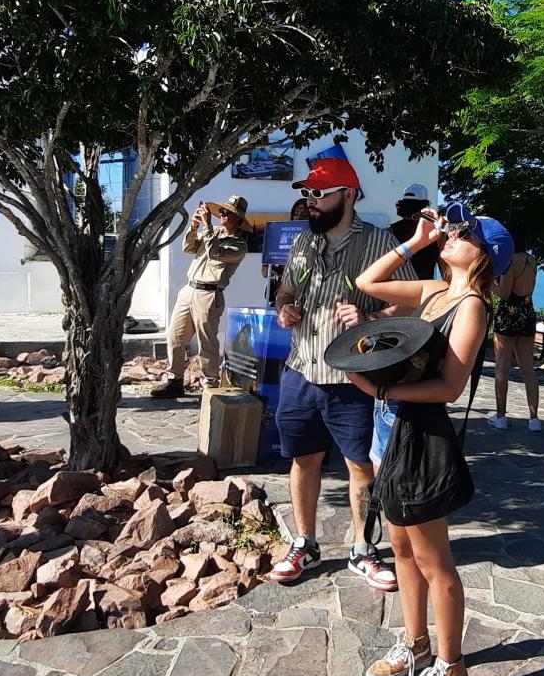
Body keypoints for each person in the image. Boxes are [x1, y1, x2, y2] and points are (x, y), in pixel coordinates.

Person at [345, 204, 507, 676]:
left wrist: (377, 386)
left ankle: (451, 668)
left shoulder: (473, 306)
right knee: (400, 549)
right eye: (453, 231)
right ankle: (415, 644)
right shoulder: (434, 292)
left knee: (435, 560)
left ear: (484, 255)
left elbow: (450, 388)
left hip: (419, 432)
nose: (452, 236)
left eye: (464, 234)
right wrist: (416, 241)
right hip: (387, 427)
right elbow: (366, 280)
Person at [266, 153, 409, 591]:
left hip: (354, 377)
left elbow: (411, 302)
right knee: (303, 459)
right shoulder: (304, 242)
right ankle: (304, 543)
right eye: (306, 194)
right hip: (300, 370)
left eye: (317, 194)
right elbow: (287, 286)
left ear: (347, 195)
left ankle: (363, 550)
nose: (309, 201)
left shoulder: (380, 242)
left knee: (361, 467)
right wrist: (283, 307)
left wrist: (369, 319)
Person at [151, 196, 249, 398]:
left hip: (209, 293)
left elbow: (214, 253)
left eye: (227, 213)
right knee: (175, 336)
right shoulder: (215, 232)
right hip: (189, 289)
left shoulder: (239, 245)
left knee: (207, 342)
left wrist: (206, 226)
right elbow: (189, 248)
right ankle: (174, 380)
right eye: (221, 211)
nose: (222, 215)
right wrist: (193, 227)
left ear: (238, 219)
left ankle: (210, 385)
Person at [489, 246, 541, 432]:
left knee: (502, 369)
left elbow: (504, 292)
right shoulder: (532, 260)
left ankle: (501, 416)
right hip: (527, 311)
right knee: (528, 370)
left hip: (508, 314)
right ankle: (534, 419)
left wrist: (489, 283)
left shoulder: (509, 260)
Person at [385, 183, 443, 278]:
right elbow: (444, 270)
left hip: (397, 288)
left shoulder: (390, 231)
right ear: (424, 206)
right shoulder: (436, 232)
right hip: (425, 289)